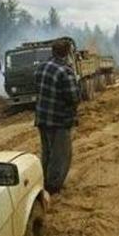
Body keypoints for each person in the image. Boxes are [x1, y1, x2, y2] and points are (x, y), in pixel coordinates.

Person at [34, 39, 81, 194]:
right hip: (59, 120)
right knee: (61, 156)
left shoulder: (42, 67)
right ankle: (53, 188)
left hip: (42, 118)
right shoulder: (65, 71)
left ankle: (43, 181)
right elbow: (73, 97)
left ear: (53, 51)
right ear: (67, 53)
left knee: (47, 152)